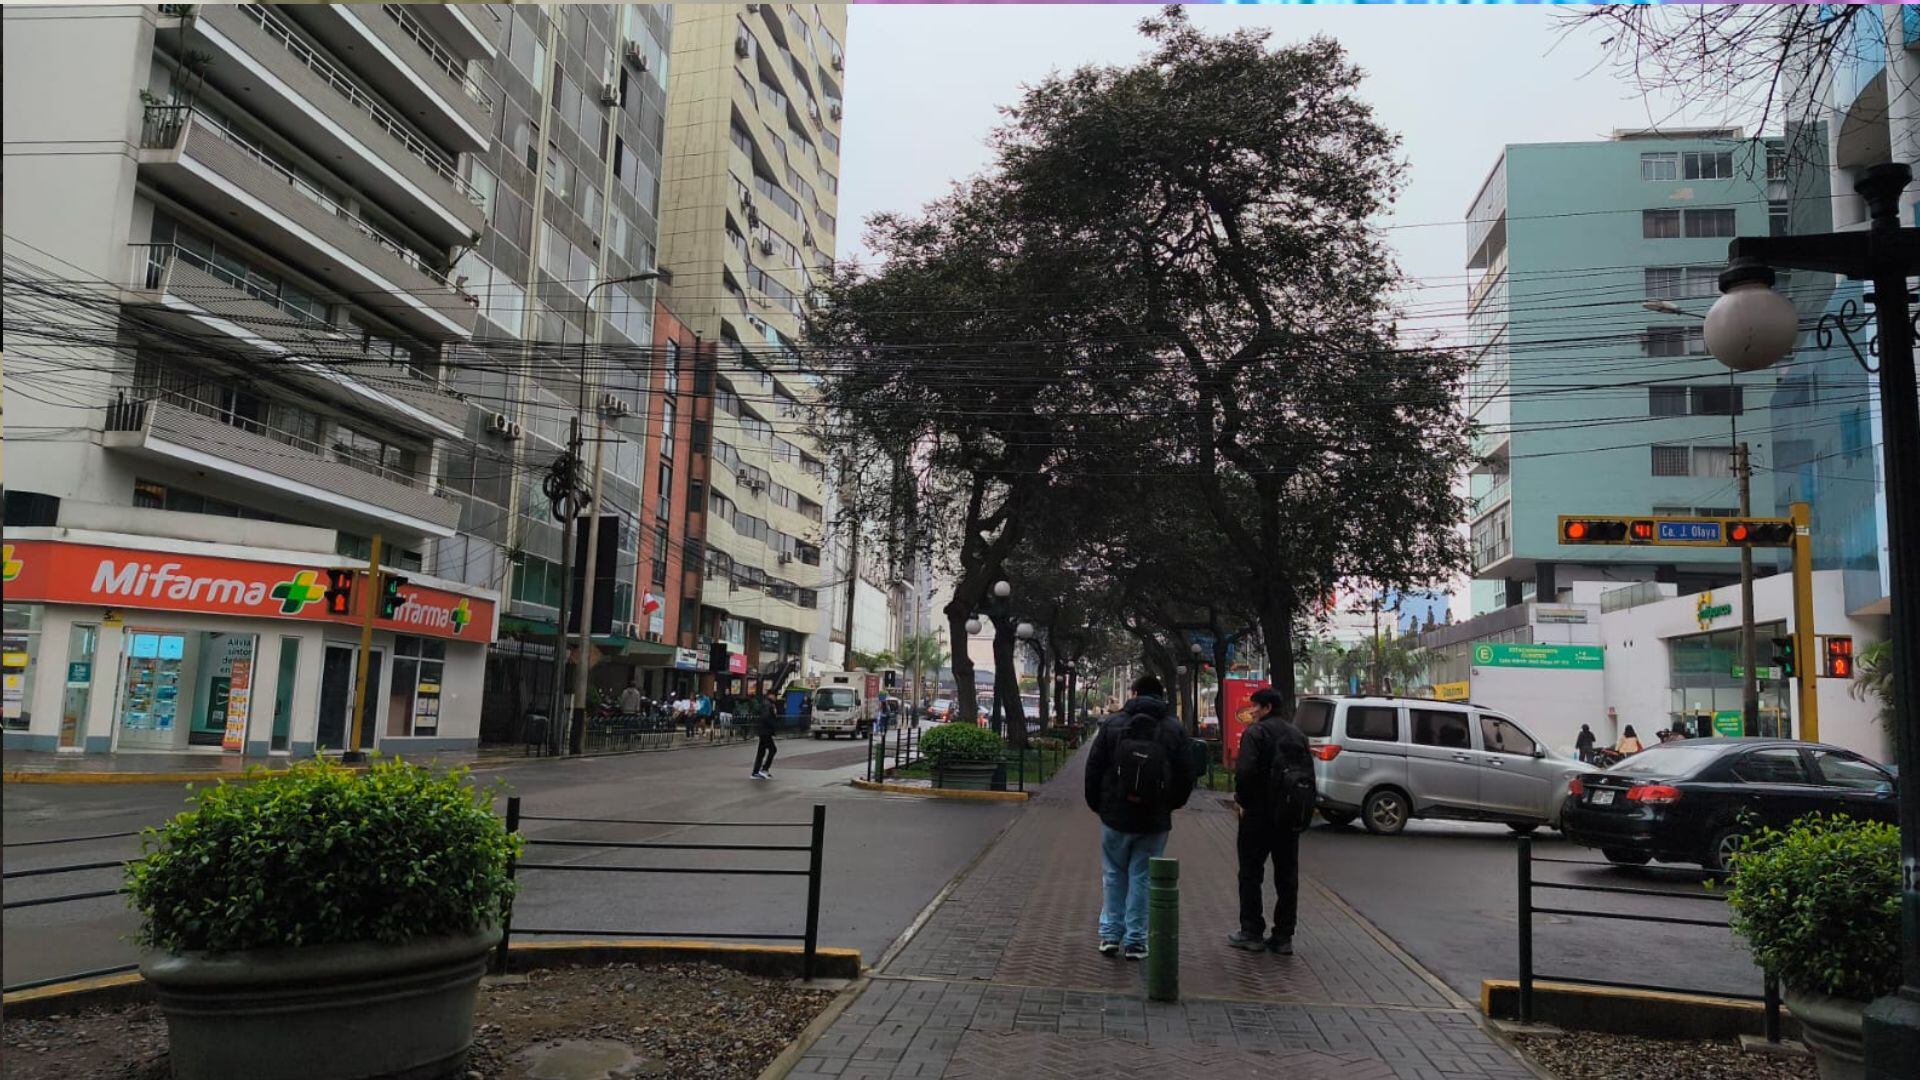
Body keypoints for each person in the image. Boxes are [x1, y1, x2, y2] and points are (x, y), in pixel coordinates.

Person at [1084, 675, 1195, 961]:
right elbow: (1187, 774)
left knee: (1113, 874)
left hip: (1115, 815)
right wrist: (1169, 805)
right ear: (1161, 696)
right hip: (1154, 818)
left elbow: (1093, 768)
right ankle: (1136, 941)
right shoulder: (1174, 728)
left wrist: (1100, 805)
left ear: (1134, 693)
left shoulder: (1113, 724)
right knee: (1143, 877)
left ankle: (1110, 935)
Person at [1227, 687, 1312, 956]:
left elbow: (1245, 771)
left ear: (1267, 708)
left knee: (1251, 873)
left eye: (1255, 706)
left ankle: (1251, 931)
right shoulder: (1298, 735)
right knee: (1287, 876)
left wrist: (1242, 801)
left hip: (1257, 815)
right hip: (1288, 816)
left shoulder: (1256, 733)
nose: (1252, 711)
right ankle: (1283, 936)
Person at [751, 697, 779, 779]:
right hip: (766, 732)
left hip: (763, 731)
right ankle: (764, 769)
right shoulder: (769, 705)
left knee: (761, 752)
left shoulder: (766, 704)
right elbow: (766, 718)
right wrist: (773, 719)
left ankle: (756, 772)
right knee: (773, 749)